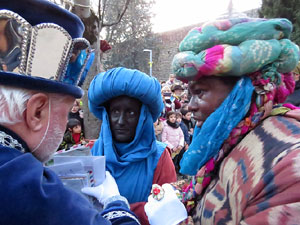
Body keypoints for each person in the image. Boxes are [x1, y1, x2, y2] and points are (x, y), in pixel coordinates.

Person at [146, 17, 300, 224]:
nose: (189, 105)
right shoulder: (231, 140)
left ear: (242, 89)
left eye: (200, 92)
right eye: (189, 94)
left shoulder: (289, 164)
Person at [0, 1, 140, 224]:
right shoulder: (31, 190)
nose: (67, 121)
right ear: (37, 112)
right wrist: (116, 205)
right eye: (66, 112)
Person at [88, 67, 177, 224]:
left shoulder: (159, 157)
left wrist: (114, 208)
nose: (121, 121)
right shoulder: (90, 153)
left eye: (131, 113)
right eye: (115, 112)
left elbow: (167, 211)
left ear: (143, 118)